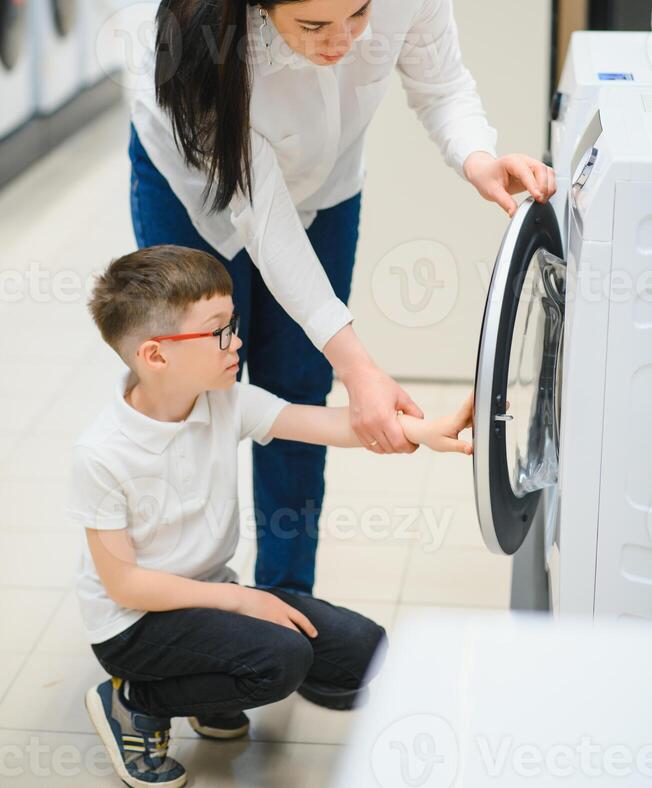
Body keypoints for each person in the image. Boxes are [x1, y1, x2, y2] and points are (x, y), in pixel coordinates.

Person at [127, 0, 555, 596]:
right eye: (314, 28)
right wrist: (364, 367)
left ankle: (287, 611)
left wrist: (478, 157)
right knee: (191, 396)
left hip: (324, 186)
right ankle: (182, 617)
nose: (344, 42)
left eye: (357, 16)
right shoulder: (201, 50)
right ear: (262, 6)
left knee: (298, 381)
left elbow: (442, 85)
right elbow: (263, 225)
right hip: (195, 194)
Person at [66, 244, 475, 788]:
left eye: (231, 323)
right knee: (279, 661)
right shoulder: (102, 453)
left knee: (362, 650)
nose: (236, 340)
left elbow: (328, 425)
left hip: (207, 593)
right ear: (157, 356)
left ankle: (208, 681)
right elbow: (126, 584)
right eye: (218, 332)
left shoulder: (225, 401)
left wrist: (425, 431)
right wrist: (243, 598)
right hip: (135, 625)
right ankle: (134, 700)